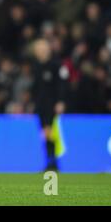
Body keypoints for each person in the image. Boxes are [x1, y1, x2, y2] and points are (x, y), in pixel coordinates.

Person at [31, 39, 68, 171]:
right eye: (38, 49)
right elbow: (36, 89)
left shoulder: (56, 65)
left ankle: (54, 162)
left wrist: (61, 101)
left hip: (52, 105)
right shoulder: (36, 67)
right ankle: (50, 162)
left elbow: (62, 84)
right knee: (45, 133)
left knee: (52, 133)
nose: (40, 52)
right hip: (41, 106)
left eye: (42, 48)